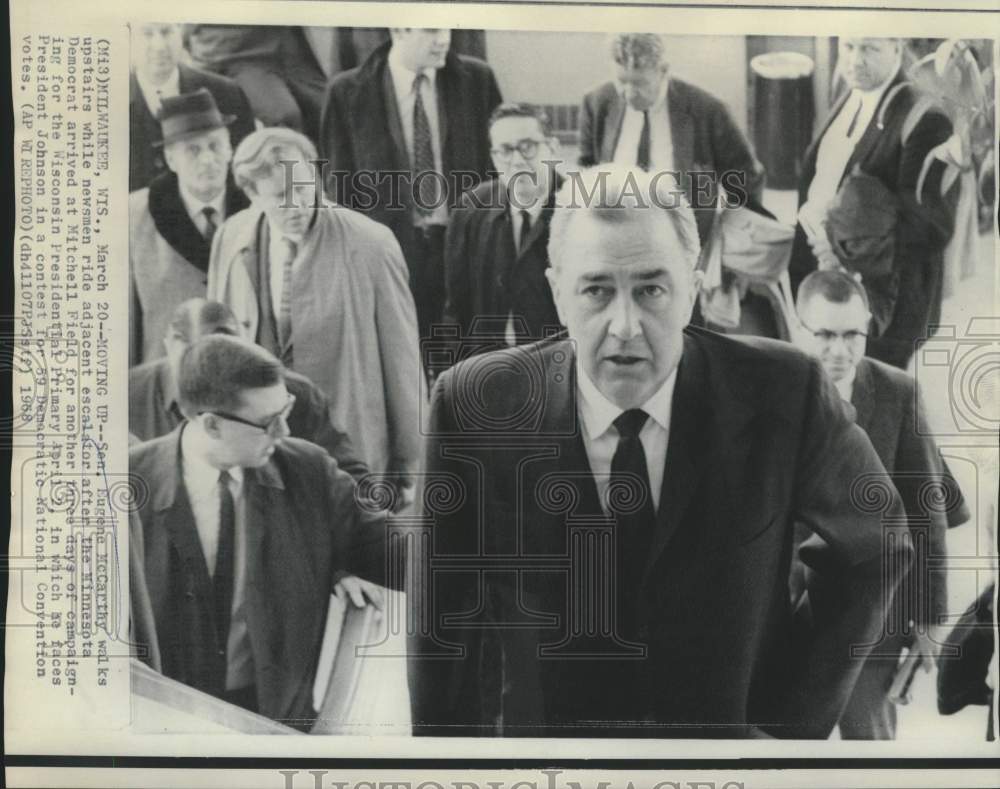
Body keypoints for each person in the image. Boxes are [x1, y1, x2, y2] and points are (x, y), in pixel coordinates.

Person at [409, 167, 911, 738]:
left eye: (651, 289)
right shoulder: (475, 405)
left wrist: (788, 726)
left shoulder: (784, 390)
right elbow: (441, 620)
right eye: (597, 290)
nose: (625, 327)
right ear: (556, 292)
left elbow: (877, 543)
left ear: (693, 291)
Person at [130, 335, 386, 727]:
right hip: (165, 726)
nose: (284, 431)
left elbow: (393, 550)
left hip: (280, 723)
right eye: (268, 422)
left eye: (287, 410)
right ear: (211, 424)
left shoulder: (309, 470)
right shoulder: (126, 484)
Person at [794, 270, 969, 739]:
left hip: (877, 615)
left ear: (869, 325)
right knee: (784, 745)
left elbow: (927, 515)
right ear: (798, 328)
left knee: (869, 743)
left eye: (852, 334)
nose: (839, 350)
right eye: (824, 334)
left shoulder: (898, 393)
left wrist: (931, 618)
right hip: (791, 609)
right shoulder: (771, 393)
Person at [207, 127, 423, 501]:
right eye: (281, 197)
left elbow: (402, 359)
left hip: (348, 446)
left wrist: (410, 463)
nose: (299, 205)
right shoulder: (231, 237)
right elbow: (215, 348)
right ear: (252, 194)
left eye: (305, 188)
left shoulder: (370, 244)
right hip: (257, 449)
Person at [320, 28, 503, 341]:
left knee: (467, 363)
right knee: (403, 357)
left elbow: (496, 174)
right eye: (431, 30)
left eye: (447, 28)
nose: (444, 39)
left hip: (463, 247)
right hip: (390, 251)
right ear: (399, 29)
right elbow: (339, 189)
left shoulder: (477, 80)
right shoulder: (347, 91)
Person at [789, 37, 955, 370]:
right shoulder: (852, 91)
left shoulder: (925, 118)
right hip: (829, 290)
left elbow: (929, 228)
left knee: (875, 404)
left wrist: (839, 248)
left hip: (882, 311)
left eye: (869, 48)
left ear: (897, 46)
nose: (854, 61)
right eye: (848, 47)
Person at [129, 298, 369, 482]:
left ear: (243, 340)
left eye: (218, 361)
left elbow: (353, 483)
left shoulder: (296, 394)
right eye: (189, 364)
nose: (203, 380)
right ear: (168, 344)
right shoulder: (125, 395)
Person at [577, 33, 763, 243]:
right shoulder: (596, 102)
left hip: (684, 239)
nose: (629, 94)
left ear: (663, 71)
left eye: (639, 83)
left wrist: (737, 234)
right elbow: (586, 170)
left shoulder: (707, 110)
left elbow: (746, 175)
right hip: (616, 236)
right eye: (621, 82)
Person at [129, 89, 250, 367]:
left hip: (243, 378)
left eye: (215, 146)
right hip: (168, 377)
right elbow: (123, 320)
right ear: (171, 159)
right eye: (192, 150)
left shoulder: (256, 209)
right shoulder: (134, 219)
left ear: (231, 149)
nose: (207, 160)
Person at [442, 103, 563, 357]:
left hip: (559, 370)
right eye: (506, 151)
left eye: (528, 147)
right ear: (494, 157)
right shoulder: (470, 209)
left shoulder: (580, 208)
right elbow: (456, 311)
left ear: (553, 148)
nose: (517, 161)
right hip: (488, 370)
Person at [129, 22, 255, 192]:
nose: (159, 46)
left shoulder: (225, 93)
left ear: (181, 32)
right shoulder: (106, 104)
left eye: (167, 32)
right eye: (147, 34)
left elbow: (247, 169)